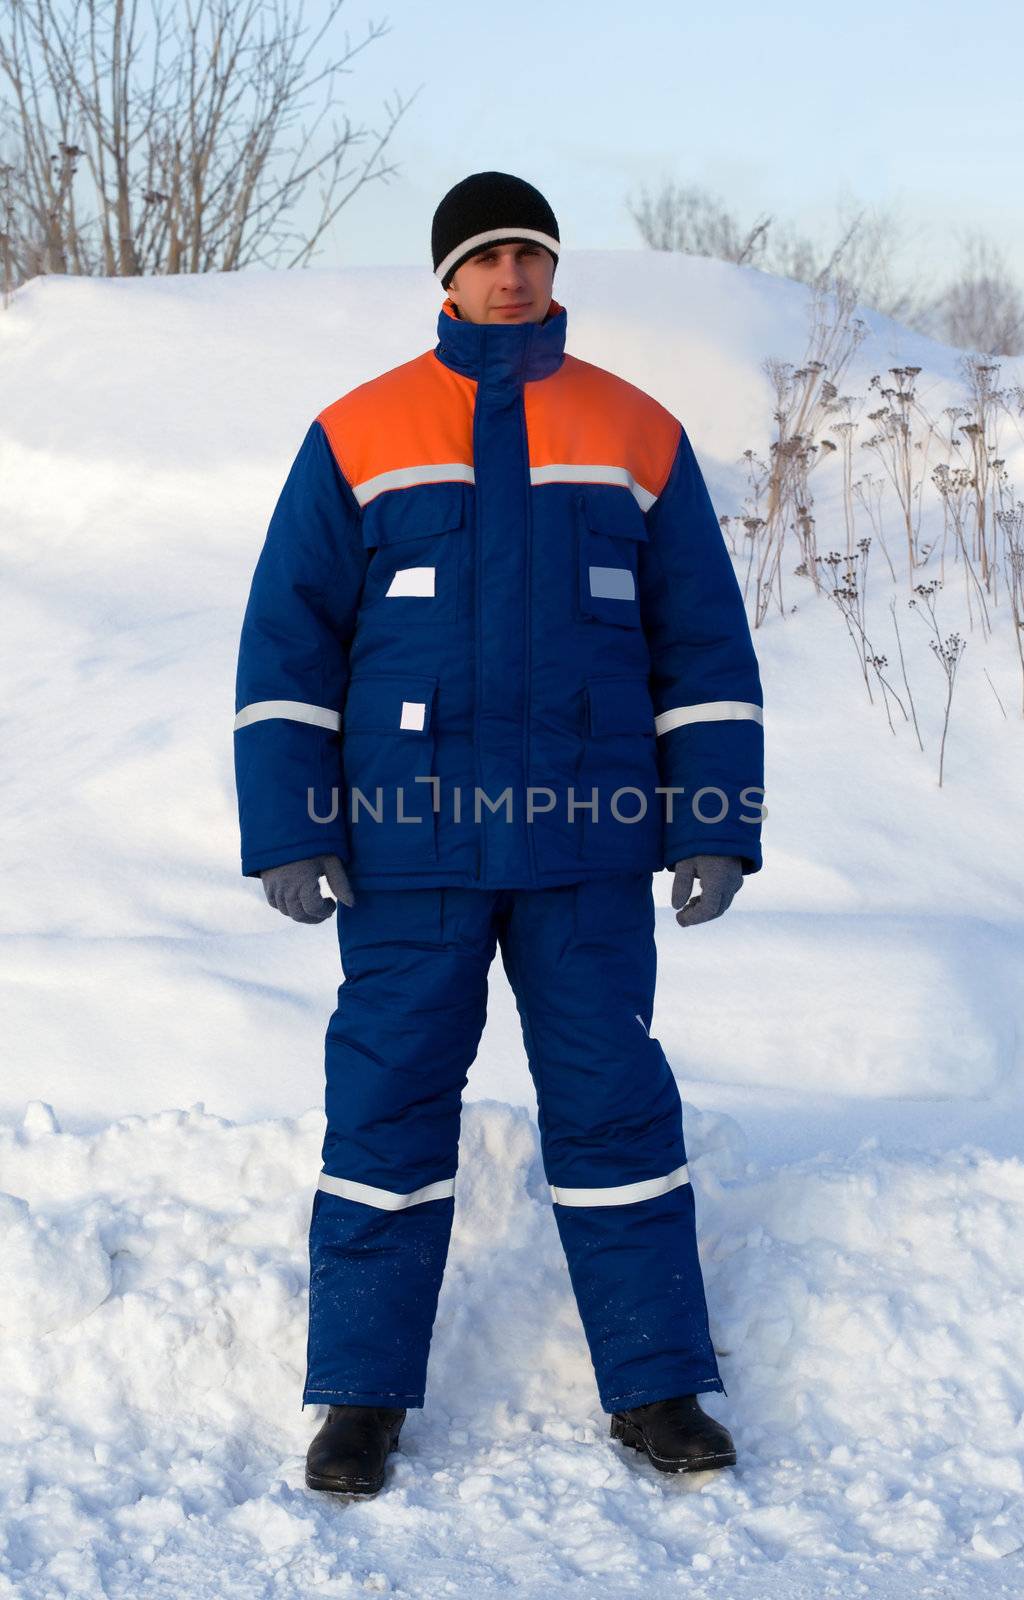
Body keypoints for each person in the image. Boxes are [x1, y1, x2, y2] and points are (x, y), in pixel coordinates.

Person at [233, 171, 765, 1498]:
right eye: (486, 256)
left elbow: (700, 640)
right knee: (388, 1107)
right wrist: (291, 825)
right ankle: (359, 1397)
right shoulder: (360, 433)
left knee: (614, 1106)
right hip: (409, 848)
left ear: (551, 264)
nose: (512, 274)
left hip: (586, 850)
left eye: (529, 250)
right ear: (447, 279)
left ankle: (656, 1385)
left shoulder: (637, 433)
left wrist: (715, 820)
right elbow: (287, 640)